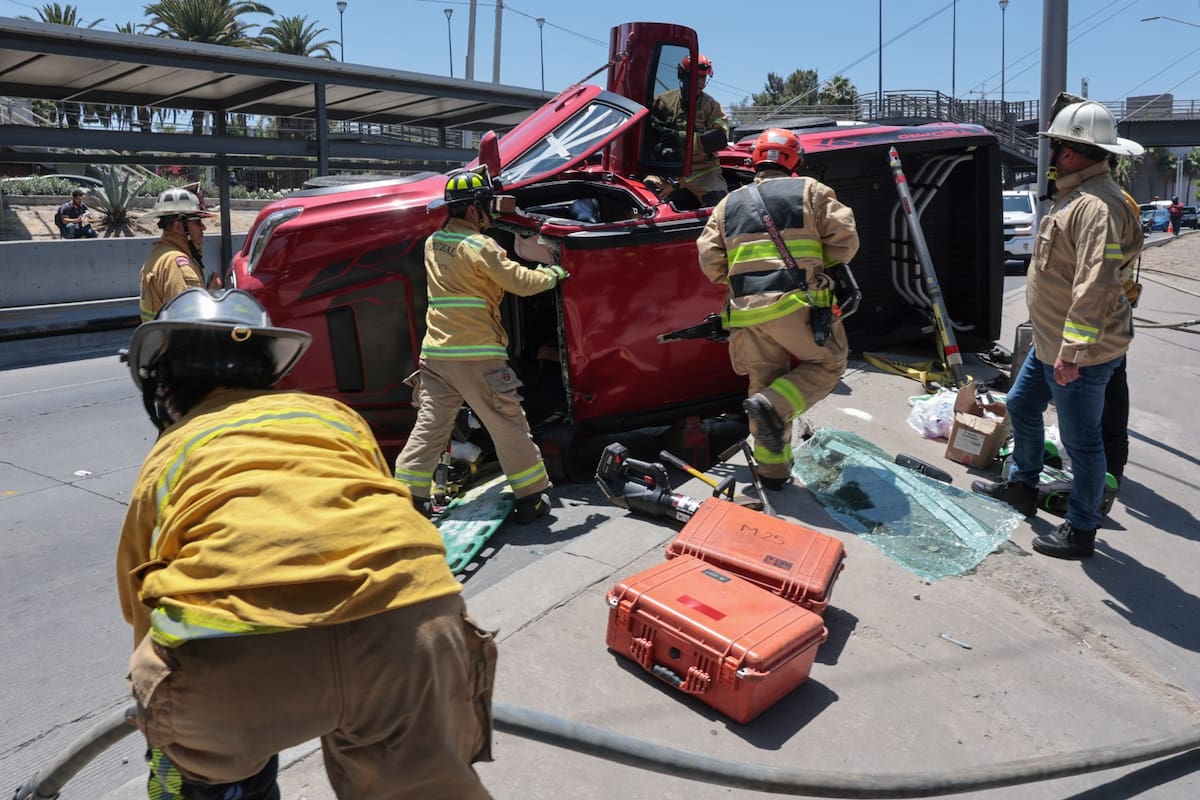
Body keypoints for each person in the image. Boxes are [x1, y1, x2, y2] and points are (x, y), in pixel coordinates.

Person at [118, 288, 495, 799]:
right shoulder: (331, 416)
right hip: (411, 628)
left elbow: (143, 607)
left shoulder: (171, 453)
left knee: (200, 774)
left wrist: (163, 697)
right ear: (267, 372)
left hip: (227, 664)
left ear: (162, 389)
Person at [972, 98, 1144, 559]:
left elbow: (1096, 282)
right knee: (1021, 406)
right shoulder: (1077, 197)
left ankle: (1081, 529)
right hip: (1051, 346)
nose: (1048, 155)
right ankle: (1023, 487)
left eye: (1054, 146)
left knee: (1081, 442)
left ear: (1069, 153)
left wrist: (1073, 351)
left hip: (1077, 354)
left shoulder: (1096, 206)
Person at [393, 167, 569, 522]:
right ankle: (532, 497)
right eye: (487, 207)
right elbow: (520, 282)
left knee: (430, 426)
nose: (489, 215)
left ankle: (407, 498)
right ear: (474, 210)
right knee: (507, 424)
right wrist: (554, 273)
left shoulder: (433, 243)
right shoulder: (481, 245)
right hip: (476, 354)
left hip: (436, 354)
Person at [696, 128, 859, 489]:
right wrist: (817, 263)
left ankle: (772, 474)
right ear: (795, 161)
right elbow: (845, 243)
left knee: (764, 384)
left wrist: (743, 279)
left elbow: (710, 263)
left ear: (755, 160)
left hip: (745, 313)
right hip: (797, 304)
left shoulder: (727, 204)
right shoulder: (811, 191)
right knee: (828, 363)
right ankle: (772, 407)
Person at [645, 54, 731, 209]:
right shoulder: (662, 102)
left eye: (704, 78)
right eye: (696, 77)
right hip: (668, 171)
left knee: (721, 209)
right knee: (644, 201)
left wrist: (679, 139)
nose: (701, 83)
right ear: (682, 76)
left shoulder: (712, 106)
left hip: (704, 173)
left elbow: (719, 139)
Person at [139, 188, 216, 322]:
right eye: (197, 222)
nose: (203, 228)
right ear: (178, 227)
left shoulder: (160, 254)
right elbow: (191, 325)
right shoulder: (179, 267)